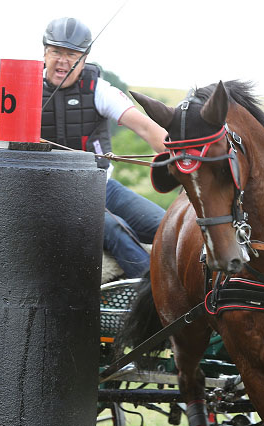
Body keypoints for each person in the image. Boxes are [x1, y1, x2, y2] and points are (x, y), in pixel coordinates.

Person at [40, 17, 168, 279]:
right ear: (45, 53)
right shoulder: (25, 88)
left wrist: (180, 159)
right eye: (56, 52)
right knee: (112, 228)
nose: (63, 60)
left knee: (169, 226)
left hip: (104, 187)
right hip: (51, 195)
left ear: (84, 58)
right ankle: (149, 295)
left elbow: (147, 129)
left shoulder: (99, 89)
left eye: (72, 54)